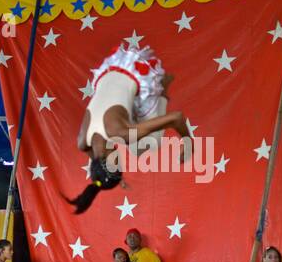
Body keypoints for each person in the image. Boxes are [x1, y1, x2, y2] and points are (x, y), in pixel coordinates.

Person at [66, 42, 192, 214]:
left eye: (120, 163)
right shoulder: (83, 142)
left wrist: (188, 141)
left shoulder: (122, 133)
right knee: (135, 145)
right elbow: (95, 163)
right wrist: (116, 178)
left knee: (148, 145)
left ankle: (164, 86)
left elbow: (177, 118)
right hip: (108, 70)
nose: (122, 159)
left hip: (137, 72)